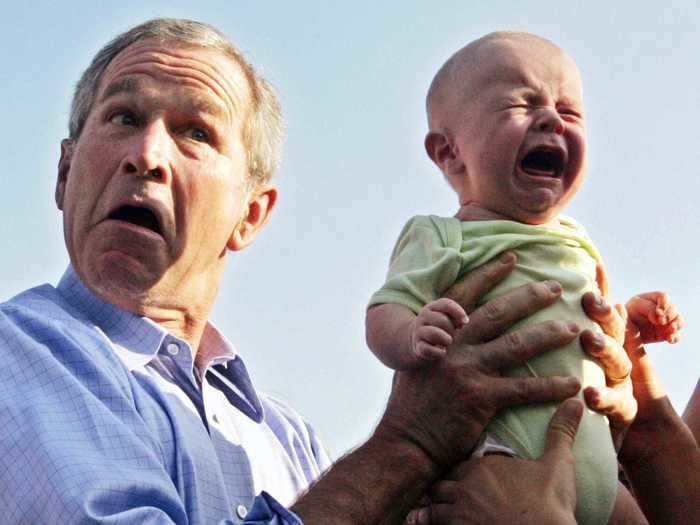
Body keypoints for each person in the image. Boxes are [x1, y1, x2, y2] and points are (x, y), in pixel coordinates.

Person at [0, 18, 695, 525]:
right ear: (64, 171)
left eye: (196, 132)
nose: (146, 155)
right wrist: (413, 442)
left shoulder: (291, 441)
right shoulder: (20, 358)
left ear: (252, 213)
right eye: (122, 116)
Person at [366, 32, 682, 524]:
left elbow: (589, 322)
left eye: (570, 111)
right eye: (522, 103)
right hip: (496, 463)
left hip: (594, 465)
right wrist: (409, 336)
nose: (553, 119)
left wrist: (631, 317)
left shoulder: (577, 240)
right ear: (449, 152)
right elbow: (386, 308)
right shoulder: (443, 236)